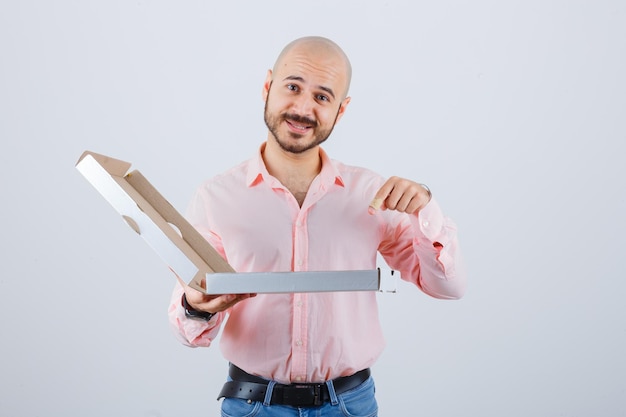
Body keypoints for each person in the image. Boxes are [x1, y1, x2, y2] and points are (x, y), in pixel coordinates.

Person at [168, 36, 466, 417]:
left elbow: (449, 287)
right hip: (253, 405)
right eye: (292, 87)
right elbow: (188, 331)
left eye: (322, 97)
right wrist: (196, 307)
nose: (303, 108)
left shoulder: (373, 195)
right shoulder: (216, 197)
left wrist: (426, 206)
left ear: (341, 111)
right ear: (267, 87)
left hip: (349, 405)